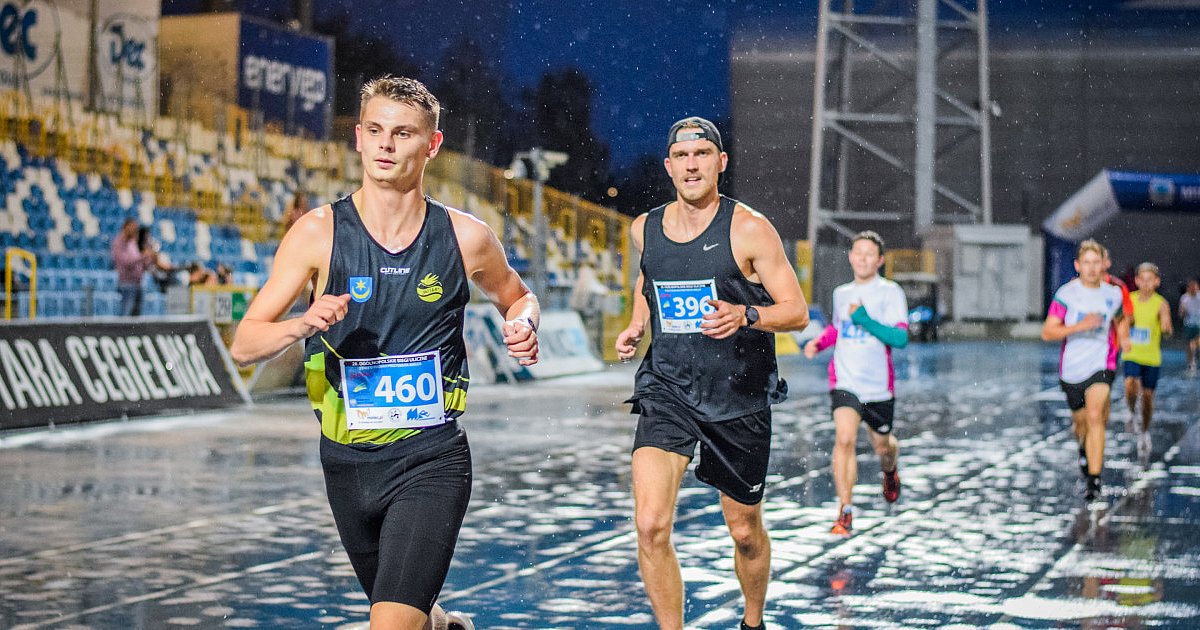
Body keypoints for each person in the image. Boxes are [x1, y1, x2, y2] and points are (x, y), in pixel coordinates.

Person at [230, 75, 538, 630]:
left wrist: (526, 324)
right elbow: (245, 342)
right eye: (374, 130)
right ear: (358, 137)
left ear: (432, 145)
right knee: (409, 615)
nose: (385, 145)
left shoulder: (465, 237)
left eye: (402, 133)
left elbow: (518, 297)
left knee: (390, 623)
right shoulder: (317, 232)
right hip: (345, 462)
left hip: (431, 459)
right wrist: (301, 323)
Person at [614, 116, 809, 630]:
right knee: (651, 524)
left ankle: (752, 621)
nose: (692, 164)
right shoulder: (644, 228)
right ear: (669, 166)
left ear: (720, 163)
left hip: (737, 394)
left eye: (702, 154)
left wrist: (747, 314)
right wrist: (637, 323)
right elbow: (648, 276)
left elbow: (797, 310)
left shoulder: (749, 228)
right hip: (668, 388)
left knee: (743, 530)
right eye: (682, 156)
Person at [803, 230, 908, 536]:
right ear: (850, 256)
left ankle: (890, 471)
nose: (862, 258)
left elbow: (899, 338)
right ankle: (844, 510)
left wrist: (864, 319)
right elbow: (839, 329)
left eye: (869, 254)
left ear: (880, 260)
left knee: (883, 446)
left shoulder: (890, 293)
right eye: (857, 252)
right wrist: (820, 343)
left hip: (878, 385)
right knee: (844, 439)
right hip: (845, 379)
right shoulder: (842, 293)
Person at [1041, 239, 1130, 504]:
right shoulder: (1066, 295)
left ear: (1104, 264)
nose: (1092, 268)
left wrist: (1124, 338)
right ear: (1078, 265)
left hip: (1102, 363)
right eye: (1086, 263)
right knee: (1080, 422)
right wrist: (1080, 326)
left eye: (1096, 263)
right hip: (1072, 368)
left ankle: (1094, 479)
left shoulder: (1112, 294)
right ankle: (1082, 447)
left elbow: (1121, 319)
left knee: (1095, 416)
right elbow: (1048, 332)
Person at [1122, 262, 1172, 460]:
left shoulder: (1161, 304)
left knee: (1148, 397)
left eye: (1149, 279)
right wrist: (1125, 330)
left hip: (1151, 357)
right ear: (1136, 281)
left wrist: (1166, 326)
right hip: (1132, 353)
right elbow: (1123, 322)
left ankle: (1144, 432)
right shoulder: (1130, 300)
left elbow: (1168, 330)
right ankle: (1131, 410)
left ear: (1156, 282)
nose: (1145, 283)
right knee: (1130, 383)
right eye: (1142, 279)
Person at [111, 217, 154, 315]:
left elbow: (140, 263)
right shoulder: (118, 243)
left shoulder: (132, 243)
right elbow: (126, 262)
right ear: (126, 227)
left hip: (138, 284)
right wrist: (144, 256)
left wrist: (150, 259)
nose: (135, 230)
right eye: (133, 227)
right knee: (126, 317)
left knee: (136, 320)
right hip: (127, 285)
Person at [1181, 278, 1200, 374]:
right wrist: (1183, 312)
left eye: (1195, 287)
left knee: (1196, 342)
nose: (1193, 289)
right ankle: (1191, 363)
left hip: (1198, 323)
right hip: (1188, 324)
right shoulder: (1184, 298)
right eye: (1191, 287)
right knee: (1189, 344)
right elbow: (1181, 313)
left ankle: (1195, 359)